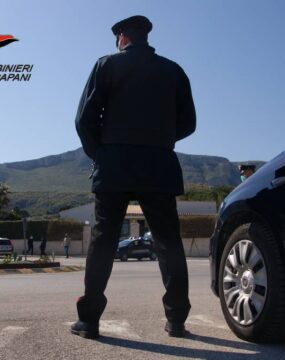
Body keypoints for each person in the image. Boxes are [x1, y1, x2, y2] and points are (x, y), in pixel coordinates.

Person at [71, 15, 196, 339]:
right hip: (159, 164)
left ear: (123, 37)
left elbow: (84, 119)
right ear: (145, 37)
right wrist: (158, 139)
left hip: (114, 163)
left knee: (103, 241)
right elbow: (189, 123)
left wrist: (101, 153)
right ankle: (177, 320)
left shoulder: (106, 65)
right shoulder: (173, 70)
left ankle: (89, 321)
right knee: (168, 242)